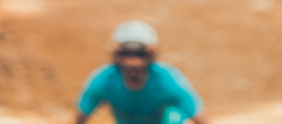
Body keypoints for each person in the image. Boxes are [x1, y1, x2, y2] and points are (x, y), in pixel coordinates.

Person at [75, 21, 208, 124]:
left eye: (140, 54)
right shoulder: (103, 81)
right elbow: (81, 117)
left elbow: (199, 117)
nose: (133, 62)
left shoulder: (168, 80)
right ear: (117, 55)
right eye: (126, 54)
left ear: (151, 56)